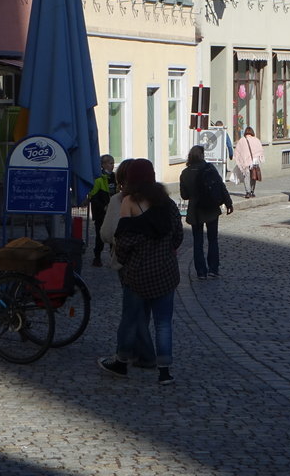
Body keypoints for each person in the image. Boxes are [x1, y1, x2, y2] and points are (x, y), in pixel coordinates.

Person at [99, 158, 183, 386]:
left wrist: (124, 263)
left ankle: (122, 362)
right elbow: (178, 235)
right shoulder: (166, 202)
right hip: (165, 271)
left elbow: (123, 239)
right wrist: (166, 250)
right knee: (163, 323)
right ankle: (164, 371)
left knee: (131, 318)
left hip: (136, 273)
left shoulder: (128, 201)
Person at [179, 145, 233, 279]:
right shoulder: (209, 168)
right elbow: (220, 185)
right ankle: (213, 269)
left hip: (195, 211)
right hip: (211, 208)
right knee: (212, 239)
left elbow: (184, 195)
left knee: (197, 242)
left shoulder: (185, 173)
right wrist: (228, 202)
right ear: (202, 155)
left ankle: (201, 272)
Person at [88, 155, 116, 266]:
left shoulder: (114, 177)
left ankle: (113, 257)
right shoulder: (99, 178)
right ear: (103, 165)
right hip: (101, 213)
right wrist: (103, 207)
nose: (112, 166)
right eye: (110, 163)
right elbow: (93, 197)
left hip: (112, 211)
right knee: (100, 235)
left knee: (113, 234)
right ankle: (97, 257)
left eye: (113, 163)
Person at [234, 126, 264, 198]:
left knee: (246, 176)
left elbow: (237, 151)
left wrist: (238, 159)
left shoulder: (242, 140)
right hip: (255, 161)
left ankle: (247, 192)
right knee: (253, 176)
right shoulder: (256, 140)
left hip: (245, 161)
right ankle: (252, 191)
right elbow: (261, 150)